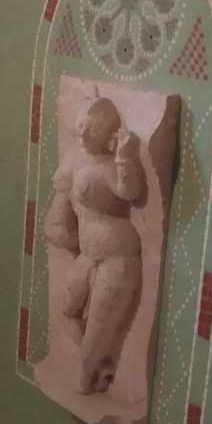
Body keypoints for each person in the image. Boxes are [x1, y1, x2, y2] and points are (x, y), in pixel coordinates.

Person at [44, 96, 144, 394]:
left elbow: (130, 191)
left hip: (117, 256)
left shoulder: (110, 166)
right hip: (88, 256)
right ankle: (101, 364)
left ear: (108, 135)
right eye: (81, 127)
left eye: (92, 130)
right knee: (67, 310)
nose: (84, 135)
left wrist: (124, 157)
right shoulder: (76, 160)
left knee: (97, 331)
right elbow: (62, 204)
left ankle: (90, 371)